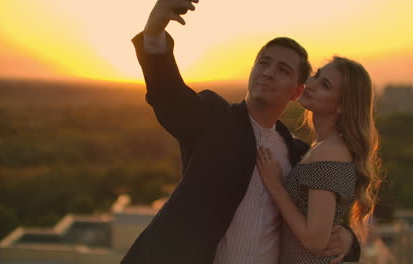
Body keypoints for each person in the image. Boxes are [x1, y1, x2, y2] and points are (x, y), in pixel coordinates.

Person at [121, 0, 361, 263]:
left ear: (296, 91)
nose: (268, 73)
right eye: (264, 63)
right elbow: (169, 97)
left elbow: (320, 215)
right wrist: (154, 33)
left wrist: (348, 241)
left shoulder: (300, 156)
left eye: (283, 70)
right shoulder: (213, 119)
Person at [256, 56, 382, 263]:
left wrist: (275, 186)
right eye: (317, 75)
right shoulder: (320, 148)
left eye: (325, 85)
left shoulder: (329, 153)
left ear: (342, 106)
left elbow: (315, 241)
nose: (311, 84)